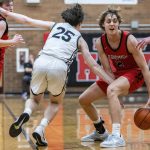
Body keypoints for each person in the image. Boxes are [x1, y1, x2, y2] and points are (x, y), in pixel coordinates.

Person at [0, 4, 114, 147]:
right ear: (80, 23)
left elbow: (26, 20)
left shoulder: (55, 25)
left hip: (41, 61)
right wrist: (111, 82)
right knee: (55, 102)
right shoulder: (80, 39)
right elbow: (94, 65)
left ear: (66, 19)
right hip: (59, 66)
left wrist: (4, 12)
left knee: (34, 99)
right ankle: (41, 128)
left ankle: (27, 113)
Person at [79, 8, 150, 148]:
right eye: (108, 21)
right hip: (117, 75)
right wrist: (115, 93)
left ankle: (117, 136)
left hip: (135, 74)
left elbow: (145, 68)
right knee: (83, 99)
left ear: (118, 24)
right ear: (103, 25)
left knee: (112, 89)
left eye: (115, 21)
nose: (112, 23)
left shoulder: (129, 40)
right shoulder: (100, 43)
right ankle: (100, 131)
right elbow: (107, 71)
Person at [0, 0, 24, 81]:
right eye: (7, 5)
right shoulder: (2, 22)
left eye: (12, 5)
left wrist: (8, 43)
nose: (11, 7)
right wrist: (12, 41)